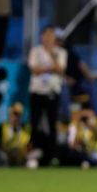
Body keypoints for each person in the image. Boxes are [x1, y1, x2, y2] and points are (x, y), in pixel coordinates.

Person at [27, 25, 67, 166]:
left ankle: (52, 156)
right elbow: (35, 70)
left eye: (51, 36)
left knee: (52, 124)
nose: (48, 39)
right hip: (37, 91)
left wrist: (51, 55)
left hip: (52, 91)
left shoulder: (60, 52)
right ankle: (33, 155)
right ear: (41, 37)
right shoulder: (35, 51)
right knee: (35, 123)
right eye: (46, 35)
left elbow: (61, 70)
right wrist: (51, 68)